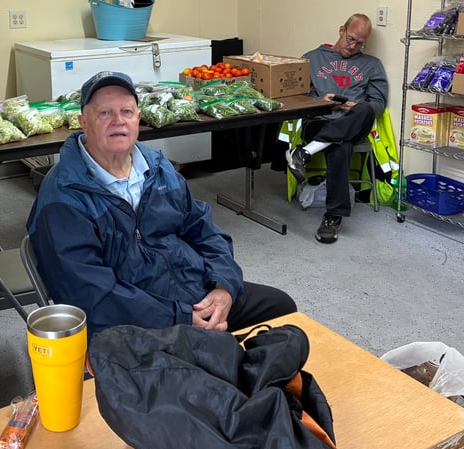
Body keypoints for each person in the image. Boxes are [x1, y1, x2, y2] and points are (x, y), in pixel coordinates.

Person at [27, 71, 297, 337]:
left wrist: (223, 287)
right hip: (134, 321)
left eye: (127, 112)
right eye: (104, 113)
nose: (118, 121)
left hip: (194, 293)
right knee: (213, 360)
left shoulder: (156, 167)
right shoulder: (63, 197)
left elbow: (202, 228)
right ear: (83, 122)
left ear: (138, 119)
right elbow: (89, 294)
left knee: (282, 310)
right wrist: (179, 317)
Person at [285, 13, 388, 244]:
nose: (352, 47)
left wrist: (354, 106)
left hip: (354, 121)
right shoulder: (311, 58)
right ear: (341, 30)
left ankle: (304, 153)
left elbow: (378, 104)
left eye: (359, 43)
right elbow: (295, 99)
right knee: (340, 145)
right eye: (350, 38)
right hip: (319, 121)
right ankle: (334, 216)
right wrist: (322, 102)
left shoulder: (372, 65)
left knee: (365, 110)